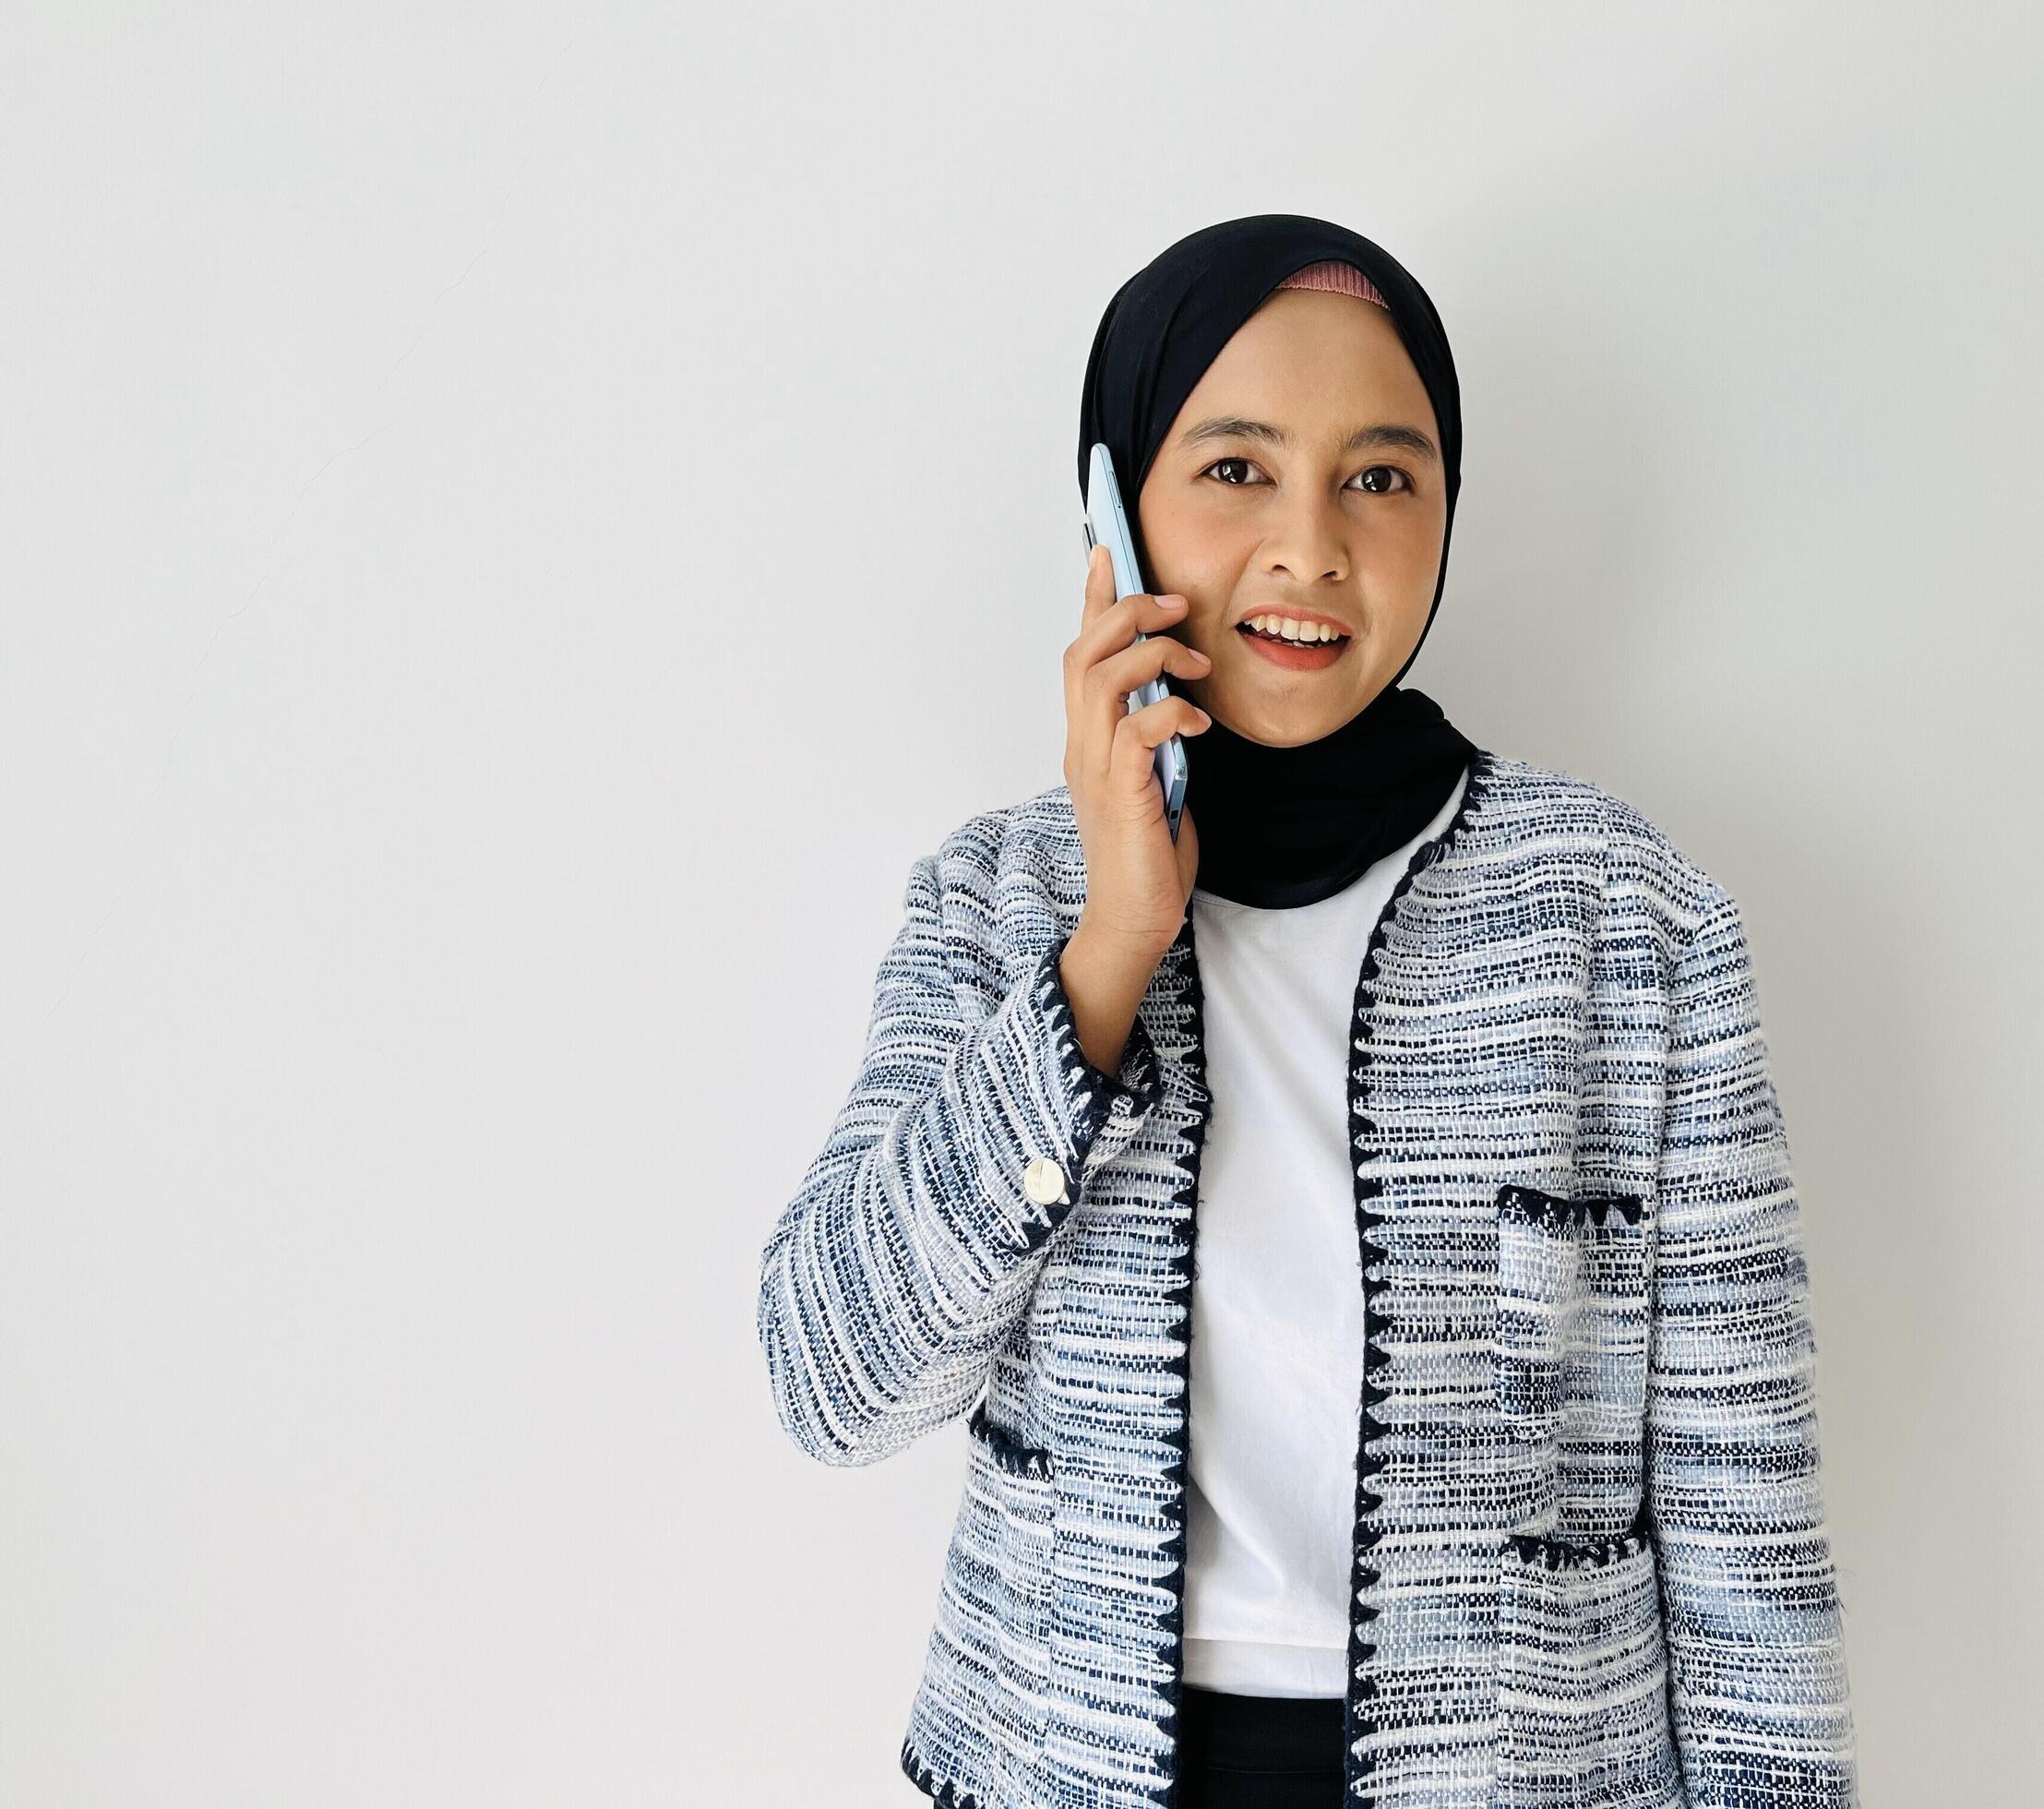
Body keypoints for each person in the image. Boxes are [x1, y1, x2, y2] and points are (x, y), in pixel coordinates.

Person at [759, 214, 1860, 1809]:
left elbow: (1741, 1511)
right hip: (1059, 1765)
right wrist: (1109, 952)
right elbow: (832, 1383)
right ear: (1111, 508)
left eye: (1380, 476)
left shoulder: (1630, 926)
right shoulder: (995, 904)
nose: (1310, 546)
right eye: (1233, 470)